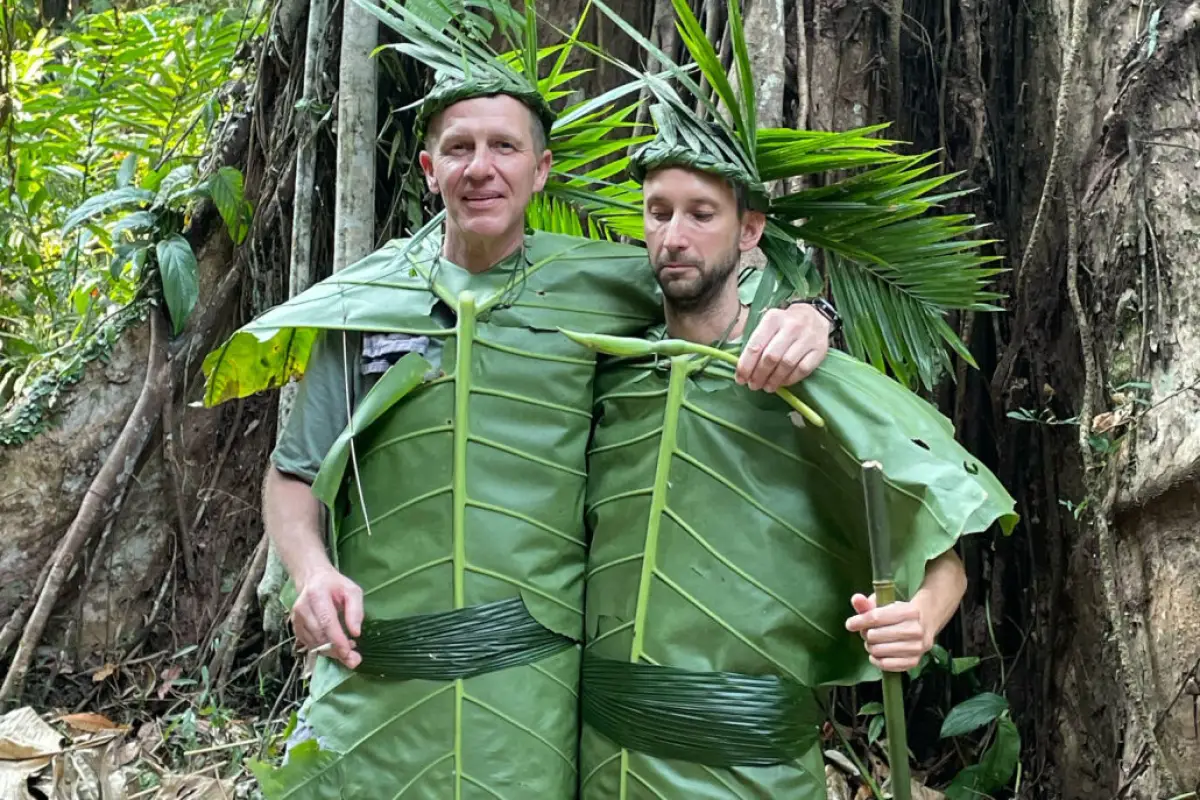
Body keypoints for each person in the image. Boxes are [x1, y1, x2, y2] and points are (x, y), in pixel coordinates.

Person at [208, 43, 833, 800]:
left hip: (530, 685)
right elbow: (295, 472)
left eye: (505, 147)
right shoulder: (363, 305)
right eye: (459, 148)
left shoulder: (607, 284)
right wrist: (310, 573)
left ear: (540, 171)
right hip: (378, 667)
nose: (482, 168)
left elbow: (724, 280)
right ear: (428, 169)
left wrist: (812, 314)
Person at [573, 105, 1017, 798]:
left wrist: (921, 620)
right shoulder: (610, 372)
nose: (674, 236)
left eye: (701, 214)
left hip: (756, 768)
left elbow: (944, 550)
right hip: (605, 762)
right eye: (658, 212)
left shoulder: (806, 385)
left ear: (750, 230)